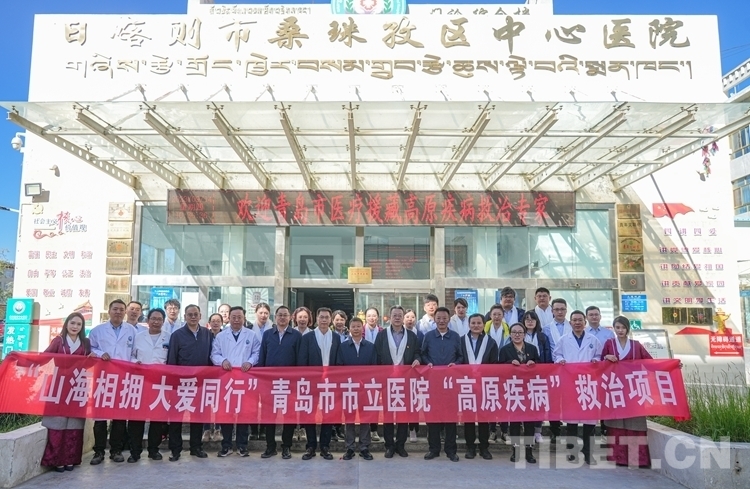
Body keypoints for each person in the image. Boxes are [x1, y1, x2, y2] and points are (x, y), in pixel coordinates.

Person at [88, 299, 137, 465]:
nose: (118, 312)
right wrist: (100, 353)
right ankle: (99, 451)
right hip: (103, 378)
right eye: (115, 309)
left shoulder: (132, 331)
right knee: (100, 418)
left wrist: (134, 361)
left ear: (125, 312)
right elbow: (90, 349)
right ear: (109, 311)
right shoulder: (97, 331)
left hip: (123, 379)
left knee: (119, 417)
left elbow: (134, 352)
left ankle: (116, 450)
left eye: (121, 309)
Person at [41, 312, 91, 472]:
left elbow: (88, 364)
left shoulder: (86, 343)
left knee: (74, 423)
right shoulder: (59, 341)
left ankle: (70, 458)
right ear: (66, 324)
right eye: (72, 323)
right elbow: (44, 357)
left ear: (82, 327)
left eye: (79, 324)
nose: (75, 327)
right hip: (59, 385)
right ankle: (57, 460)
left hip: (77, 386)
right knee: (58, 422)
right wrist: (21, 358)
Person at [601, 316, 653, 468]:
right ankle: (619, 457)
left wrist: (671, 365)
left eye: (623, 327)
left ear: (628, 329)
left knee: (635, 422)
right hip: (615, 389)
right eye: (617, 327)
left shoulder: (636, 345)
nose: (620, 330)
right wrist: (606, 357)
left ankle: (638, 458)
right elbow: (599, 364)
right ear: (614, 329)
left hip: (633, 389)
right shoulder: (609, 344)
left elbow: (650, 362)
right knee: (616, 422)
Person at [553, 310, 602, 465]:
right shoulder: (563, 340)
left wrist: (595, 360)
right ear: (570, 323)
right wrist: (560, 360)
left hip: (588, 384)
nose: (577, 323)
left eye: (580, 320)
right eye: (574, 320)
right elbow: (556, 355)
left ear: (585, 322)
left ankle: (588, 453)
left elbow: (599, 356)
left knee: (589, 423)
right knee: (571, 422)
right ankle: (572, 452)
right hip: (571, 384)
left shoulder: (593, 340)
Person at [166, 304, 214, 462]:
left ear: (200, 316)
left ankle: (196, 447)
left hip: (200, 383)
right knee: (176, 417)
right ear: (185, 316)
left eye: (195, 314)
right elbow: (172, 359)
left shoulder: (207, 334)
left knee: (197, 416)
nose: (193, 317)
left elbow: (211, 357)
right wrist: (172, 382)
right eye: (189, 314)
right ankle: (175, 449)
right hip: (180, 383)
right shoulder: (177, 335)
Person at [373, 305, 421, 458]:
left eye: (400, 315)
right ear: (390, 317)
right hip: (387, 380)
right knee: (388, 414)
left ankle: (400, 445)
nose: (398, 318)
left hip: (405, 381)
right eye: (395, 315)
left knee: (403, 414)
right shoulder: (382, 335)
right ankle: (389, 445)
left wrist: (417, 359)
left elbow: (417, 353)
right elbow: (376, 356)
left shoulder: (411, 336)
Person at [212, 306, 260, 457]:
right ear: (229, 318)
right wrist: (222, 361)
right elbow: (214, 354)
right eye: (234, 317)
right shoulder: (221, 336)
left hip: (244, 380)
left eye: (240, 317)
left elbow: (257, 352)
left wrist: (250, 362)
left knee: (244, 413)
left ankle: (242, 445)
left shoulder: (251, 335)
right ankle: (226, 445)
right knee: (226, 413)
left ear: (244, 318)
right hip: (226, 380)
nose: (237, 320)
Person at [258, 305, 302, 460]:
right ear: (275, 317)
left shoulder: (296, 336)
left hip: (289, 384)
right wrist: (262, 379)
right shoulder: (267, 335)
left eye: (285, 315)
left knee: (289, 416)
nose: (282, 318)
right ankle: (270, 447)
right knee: (269, 416)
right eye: (280, 315)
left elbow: (300, 360)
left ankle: (286, 446)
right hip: (270, 384)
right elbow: (262, 357)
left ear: (290, 318)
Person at [128, 308, 171, 463]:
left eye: (159, 319)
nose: (156, 322)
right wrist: (136, 362)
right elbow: (130, 355)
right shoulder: (138, 337)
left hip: (160, 384)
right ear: (147, 320)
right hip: (140, 382)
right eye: (153, 318)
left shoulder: (169, 337)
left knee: (157, 419)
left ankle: (154, 450)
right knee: (136, 418)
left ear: (163, 321)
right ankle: (135, 452)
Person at [298, 307, 341, 461]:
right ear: (316, 319)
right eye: (321, 317)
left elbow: (339, 361)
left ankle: (325, 446)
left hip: (330, 383)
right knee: (309, 414)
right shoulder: (307, 337)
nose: (324, 320)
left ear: (330, 320)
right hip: (311, 383)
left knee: (328, 415)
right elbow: (302, 361)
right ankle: (310, 446)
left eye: (326, 317)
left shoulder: (336, 337)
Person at [421, 306, 462, 462]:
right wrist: (428, 363)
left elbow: (461, 356)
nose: (442, 321)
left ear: (449, 319)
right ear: (434, 319)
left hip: (451, 384)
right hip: (433, 383)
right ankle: (434, 449)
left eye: (444, 318)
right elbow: (423, 353)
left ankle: (451, 450)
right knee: (433, 417)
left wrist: (456, 364)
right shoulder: (429, 336)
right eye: (438, 318)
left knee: (451, 417)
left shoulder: (456, 337)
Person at [336, 317, 377, 461]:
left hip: (365, 389)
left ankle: (364, 447)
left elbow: (374, 368)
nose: (356, 329)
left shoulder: (370, 346)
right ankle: (350, 447)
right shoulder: (343, 347)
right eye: (353, 326)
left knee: (366, 418)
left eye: (358, 326)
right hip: (349, 388)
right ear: (349, 329)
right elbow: (339, 367)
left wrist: (365, 382)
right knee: (349, 418)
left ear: (362, 328)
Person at [498, 322, 540, 464]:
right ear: (510, 334)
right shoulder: (505, 350)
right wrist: (510, 363)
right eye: (514, 332)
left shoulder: (532, 349)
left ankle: (529, 452)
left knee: (529, 423)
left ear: (524, 334)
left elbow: (540, 366)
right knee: (514, 423)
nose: (517, 335)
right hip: (513, 389)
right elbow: (499, 369)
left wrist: (533, 364)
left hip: (529, 390)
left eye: (520, 332)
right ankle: (515, 451)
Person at [460, 313, 497, 461]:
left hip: (484, 384)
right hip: (466, 384)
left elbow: (494, 364)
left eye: (479, 323)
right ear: (469, 325)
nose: (476, 326)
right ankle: (470, 447)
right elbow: (458, 359)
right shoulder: (461, 341)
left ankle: (484, 447)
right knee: (468, 417)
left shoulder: (490, 342)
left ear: (483, 324)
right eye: (473, 323)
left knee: (483, 417)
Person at [584, 305, 615, 443]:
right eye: (591, 315)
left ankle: (604, 430)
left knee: (604, 402)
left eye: (596, 314)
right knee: (590, 401)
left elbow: (613, 351)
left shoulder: (608, 334)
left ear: (600, 316)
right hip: (588, 374)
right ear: (586, 317)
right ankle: (590, 434)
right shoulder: (583, 332)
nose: (594, 317)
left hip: (605, 372)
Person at [521, 310, 552, 444]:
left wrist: (545, 371)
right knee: (524, 403)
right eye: (527, 319)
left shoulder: (542, 337)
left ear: (537, 321)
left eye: (532, 319)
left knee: (538, 403)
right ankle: (527, 430)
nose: (530, 321)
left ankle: (538, 431)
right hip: (522, 375)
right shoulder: (519, 335)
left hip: (539, 374)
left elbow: (547, 355)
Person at [484, 303, 510, 442]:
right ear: (490, 315)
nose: (497, 317)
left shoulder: (508, 330)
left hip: (505, 370)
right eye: (494, 314)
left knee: (504, 400)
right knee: (492, 400)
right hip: (489, 370)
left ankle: (505, 430)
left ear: (503, 316)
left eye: (499, 314)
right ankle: (492, 430)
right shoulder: (485, 330)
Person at [203, 312, 225, 443]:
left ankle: (218, 429)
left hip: (222, 373)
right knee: (207, 402)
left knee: (220, 402)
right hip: (207, 373)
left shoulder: (226, 336)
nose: (215, 323)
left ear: (222, 323)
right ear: (209, 323)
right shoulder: (204, 335)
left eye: (218, 321)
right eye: (213, 321)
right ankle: (206, 429)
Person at [403, 308, 423, 442]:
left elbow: (421, 352)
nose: (410, 320)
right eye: (407, 317)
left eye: (412, 317)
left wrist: (418, 359)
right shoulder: (397, 334)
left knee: (413, 402)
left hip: (415, 374)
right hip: (399, 374)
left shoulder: (420, 335)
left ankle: (413, 429)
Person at [364, 307, 382, 442]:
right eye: (369, 315)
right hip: (362, 371)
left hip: (377, 370)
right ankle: (364, 429)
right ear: (365, 317)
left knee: (374, 400)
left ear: (378, 317)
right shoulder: (359, 330)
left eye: (374, 315)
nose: (372, 318)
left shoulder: (382, 332)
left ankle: (374, 429)